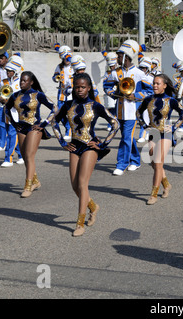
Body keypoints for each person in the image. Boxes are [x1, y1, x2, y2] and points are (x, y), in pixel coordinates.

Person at [51, 73, 120, 237]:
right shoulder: (68, 105)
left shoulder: (95, 106)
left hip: (90, 146)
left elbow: (115, 123)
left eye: (83, 87)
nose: (80, 90)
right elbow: (54, 122)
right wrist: (62, 141)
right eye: (77, 87)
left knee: (82, 184)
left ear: (89, 88)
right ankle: (93, 206)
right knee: (74, 186)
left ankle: (80, 223)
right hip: (74, 145)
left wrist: (102, 144)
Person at [4, 71, 59, 198]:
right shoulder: (15, 95)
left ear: (31, 82)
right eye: (21, 80)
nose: (22, 83)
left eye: (25, 81)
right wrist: (13, 122)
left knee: (29, 156)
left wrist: (44, 124)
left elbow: (54, 108)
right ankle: (35, 181)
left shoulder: (38, 95)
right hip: (21, 128)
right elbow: (6, 109)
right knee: (25, 157)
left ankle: (28, 186)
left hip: (35, 128)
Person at [136, 74, 183, 204]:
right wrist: (144, 125)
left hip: (166, 134)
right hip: (153, 133)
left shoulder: (170, 100)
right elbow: (138, 112)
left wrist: (174, 127)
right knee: (153, 162)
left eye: (158, 83)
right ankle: (166, 184)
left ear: (164, 85)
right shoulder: (148, 99)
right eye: (154, 83)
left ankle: (154, 194)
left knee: (158, 163)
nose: (155, 85)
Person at [103, 39, 147, 176]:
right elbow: (107, 86)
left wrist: (137, 96)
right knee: (127, 137)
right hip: (119, 111)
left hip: (133, 112)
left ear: (127, 57)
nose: (118, 57)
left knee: (125, 138)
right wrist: (114, 94)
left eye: (120, 55)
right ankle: (135, 160)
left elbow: (150, 91)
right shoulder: (116, 73)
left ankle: (121, 164)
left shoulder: (139, 73)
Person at [0, 54, 24, 168]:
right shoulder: (4, 81)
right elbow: (0, 93)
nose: (8, 72)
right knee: (14, 134)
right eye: (7, 70)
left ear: (16, 71)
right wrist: (1, 98)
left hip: (17, 114)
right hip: (7, 112)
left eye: (10, 71)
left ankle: (8, 158)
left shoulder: (21, 83)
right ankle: (22, 155)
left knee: (12, 135)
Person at [52, 43, 74, 142]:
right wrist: (56, 79)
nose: (66, 60)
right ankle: (68, 128)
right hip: (61, 93)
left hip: (71, 94)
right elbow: (54, 76)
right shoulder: (59, 66)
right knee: (59, 114)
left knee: (69, 113)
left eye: (67, 58)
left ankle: (68, 131)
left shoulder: (74, 66)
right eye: (64, 58)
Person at [137, 56, 155, 143]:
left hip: (148, 100)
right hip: (138, 100)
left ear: (147, 68)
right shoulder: (137, 75)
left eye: (143, 68)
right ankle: (145, 135)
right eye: (141, 67)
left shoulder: (151, 78)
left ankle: (144, 135)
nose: (142, 69)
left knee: (146, 118)